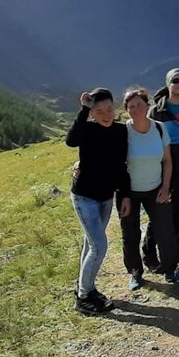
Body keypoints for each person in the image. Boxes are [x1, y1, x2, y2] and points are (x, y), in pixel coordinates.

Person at [119, 86, 179, 290]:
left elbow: (167, 161)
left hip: (156, 189)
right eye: (131, 106)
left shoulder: (159, 128)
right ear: (126, 109)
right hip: (129, 193)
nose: (135, 109)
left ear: (147, 105)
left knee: (165, 230)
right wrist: (81, 164)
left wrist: (166, 186)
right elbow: (109, 157)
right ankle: (135, 273)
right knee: (130, 234)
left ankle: (171, 270)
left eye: (139, 105)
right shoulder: (122, 132)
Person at [64, 88, 128, 315]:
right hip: (85, 197)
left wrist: (125, 194)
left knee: (90, 244)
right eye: (99, 111)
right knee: (99, 246)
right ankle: (83, 297)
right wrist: (83, 109)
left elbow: (122, 166)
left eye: (109, 109)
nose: (106, 114)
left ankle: (86, 289)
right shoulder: (87, 130)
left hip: (106, 198)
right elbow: (71, 141)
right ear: (92, 113)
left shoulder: (121, 132)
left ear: (116, 107)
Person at [145, 68, 179, 270]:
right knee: (160, 208)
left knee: (177, 208)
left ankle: (175, 251)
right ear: (168, 83)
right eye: (175, 80)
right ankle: (149, 254)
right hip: (162, 166)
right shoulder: (156, 111)